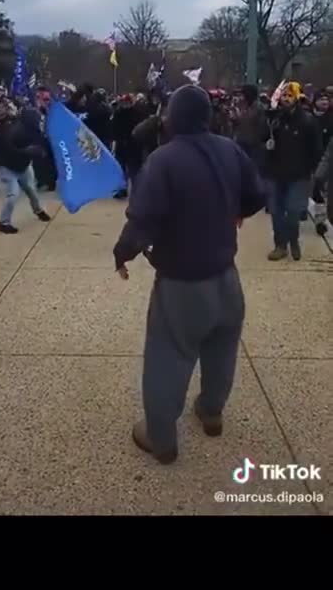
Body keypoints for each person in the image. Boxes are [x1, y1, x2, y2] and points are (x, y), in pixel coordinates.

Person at [113, 85, 265, 465]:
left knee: (169, 355)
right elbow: (257, 195)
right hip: (227, 279)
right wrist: (237, 211)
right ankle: (211, 412)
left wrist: (122, 253)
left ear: (172, 117)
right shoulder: (230, 149)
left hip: (181, 284)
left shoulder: (164, 160)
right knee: (221, 348)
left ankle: (161, 438)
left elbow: (142, 221)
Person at [264, 82, 321, 262]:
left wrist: (310, 170)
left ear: (296, 97)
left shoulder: (307, 121)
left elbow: (316, 149)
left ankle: (293, 240)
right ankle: (280, 245)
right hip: (276, 173)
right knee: (276, 211)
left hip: (298, 175)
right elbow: (263, 140)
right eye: (284, 96)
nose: (286, 99)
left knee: (293, 211)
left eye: (290, 96)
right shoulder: (275, 119)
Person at [0, 107, 51, 234]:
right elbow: (7, 149)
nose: (39, 121)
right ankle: (3, 223)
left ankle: (38, 210)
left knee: (31, 190)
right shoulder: (12, 131)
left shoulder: (35, 131)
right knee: (13, 194)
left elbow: (42, 147)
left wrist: (40, 151)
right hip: (7, 166)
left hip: (23, 166)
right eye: (37, 118)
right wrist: (27, 151)